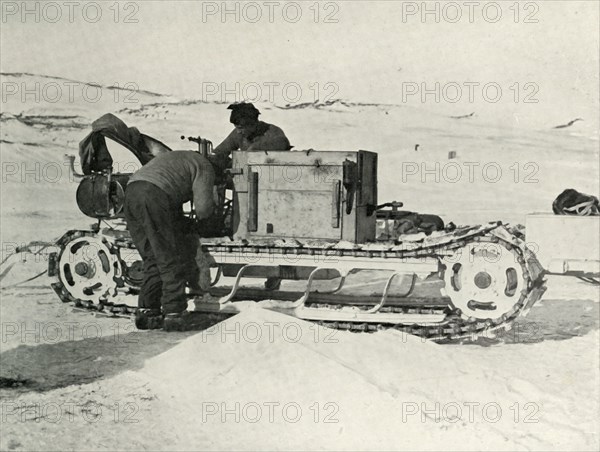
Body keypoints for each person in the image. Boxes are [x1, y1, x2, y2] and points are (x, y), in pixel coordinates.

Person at [124, 150, 216, 331]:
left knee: (152, 257)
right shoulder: (204, 166)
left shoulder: (179, 158)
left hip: (132, 192)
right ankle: (174, 315)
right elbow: (204, 210)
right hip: (154, 195)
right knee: (170, 257)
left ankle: (147, 312)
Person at [213, 102, 291, 160]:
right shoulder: (239, 134)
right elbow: (220, 152)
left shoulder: (273, 132)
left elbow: (283, 143)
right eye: (236, 128)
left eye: (240, 128)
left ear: (253, 124)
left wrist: (255, 148)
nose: (238, 131)